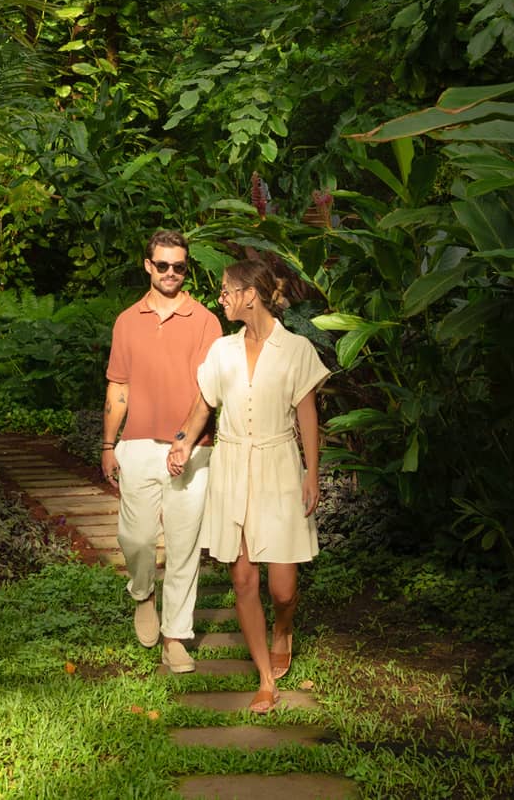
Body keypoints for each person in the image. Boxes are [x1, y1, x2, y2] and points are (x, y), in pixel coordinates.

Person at [167, 258, 331, 714]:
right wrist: (183, 442)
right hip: (232, 467)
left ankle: (283, 627)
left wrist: (311, 472)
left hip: (279, 467)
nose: (220, 298)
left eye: (226, 291)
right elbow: (203, 405)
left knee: (282, 589)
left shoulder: (296, 349)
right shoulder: (222, 351)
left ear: (250, 295)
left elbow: (307, 414)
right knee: (242, 579)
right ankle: (264, 679)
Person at [101, 230, 222, 673]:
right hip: (135, 444)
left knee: (184, 546)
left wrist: (185, 440)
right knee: (135, 539)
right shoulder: (126, 321)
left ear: (186, 268)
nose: (172, 273)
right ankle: (142, 593)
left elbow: (208, 391)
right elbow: (118, 386)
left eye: (180, 266)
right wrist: (108, 443)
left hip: (191, 449)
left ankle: (176, 637)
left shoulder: (206, 321)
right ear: (148, 266)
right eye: (164, 265)